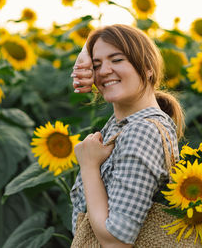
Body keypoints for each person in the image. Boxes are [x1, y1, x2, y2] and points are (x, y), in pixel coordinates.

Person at [70, 24, 185, 247]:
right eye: (96, 64)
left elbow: (116, 242)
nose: (103, 71)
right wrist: (86, 50)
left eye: (117, 59)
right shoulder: (122, 127)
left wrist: (89, 166)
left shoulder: (142, 131)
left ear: (148, 67)